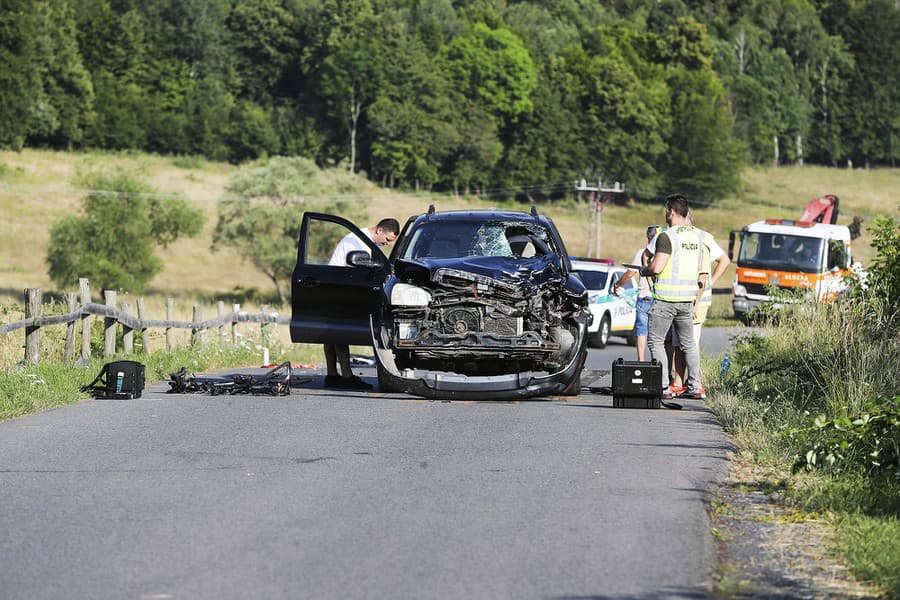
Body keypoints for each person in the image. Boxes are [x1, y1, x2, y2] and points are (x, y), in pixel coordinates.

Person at [639, 195, 705, 401]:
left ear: (671, 211)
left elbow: (657, 266)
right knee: (688, 344)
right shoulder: (696, 237)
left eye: (666, 210)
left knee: (656, 342)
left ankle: (663, 387)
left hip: (666, 299)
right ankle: (695, 386)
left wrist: (644, 270)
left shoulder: (667, 237)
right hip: (687, 300)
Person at [323, 218, 400, 390]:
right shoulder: (358, 241)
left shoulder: (365, 241)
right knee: (338, 334)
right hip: (338, 288)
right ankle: (347, 377)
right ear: (379, 230)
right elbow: (353, 266)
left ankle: (332, 375)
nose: (387, 244)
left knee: (331, 334)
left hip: (336, 287)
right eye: (387, 240)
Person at [669, 212, 731, 395]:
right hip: (680, 298)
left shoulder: (701, 237)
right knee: (679, 342)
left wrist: (711, 282)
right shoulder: (677, 235)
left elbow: (724, 260)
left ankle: (696, 383)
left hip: (697, 301)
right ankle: (679, 382)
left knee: (690, 342)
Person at [613, 225, 659, 361]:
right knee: (658, 335)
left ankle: (642, 361)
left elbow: (629, 274)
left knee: (642, 331)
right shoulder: (664, 253)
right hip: (660, 298)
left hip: (644, 297)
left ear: (648, 238)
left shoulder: (642, 253)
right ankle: (659, 363)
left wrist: (617, 285)